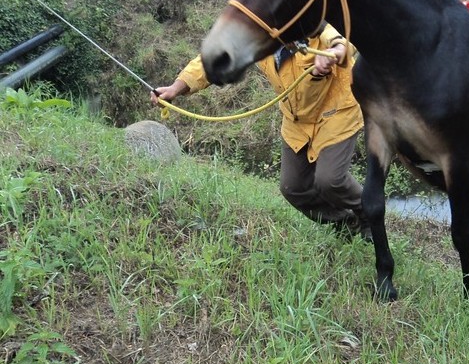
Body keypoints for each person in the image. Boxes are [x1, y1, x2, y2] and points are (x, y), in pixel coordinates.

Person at [151, 22, 370, 240]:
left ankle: (370, 216)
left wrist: (335, 52)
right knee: (292, 187)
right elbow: (212, 60)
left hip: (336, 112)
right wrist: (175, 89)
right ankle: (345, 223)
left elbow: (341, 38)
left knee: (329, 180)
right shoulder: (255, 33)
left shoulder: (315, 23)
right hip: (297, 119)